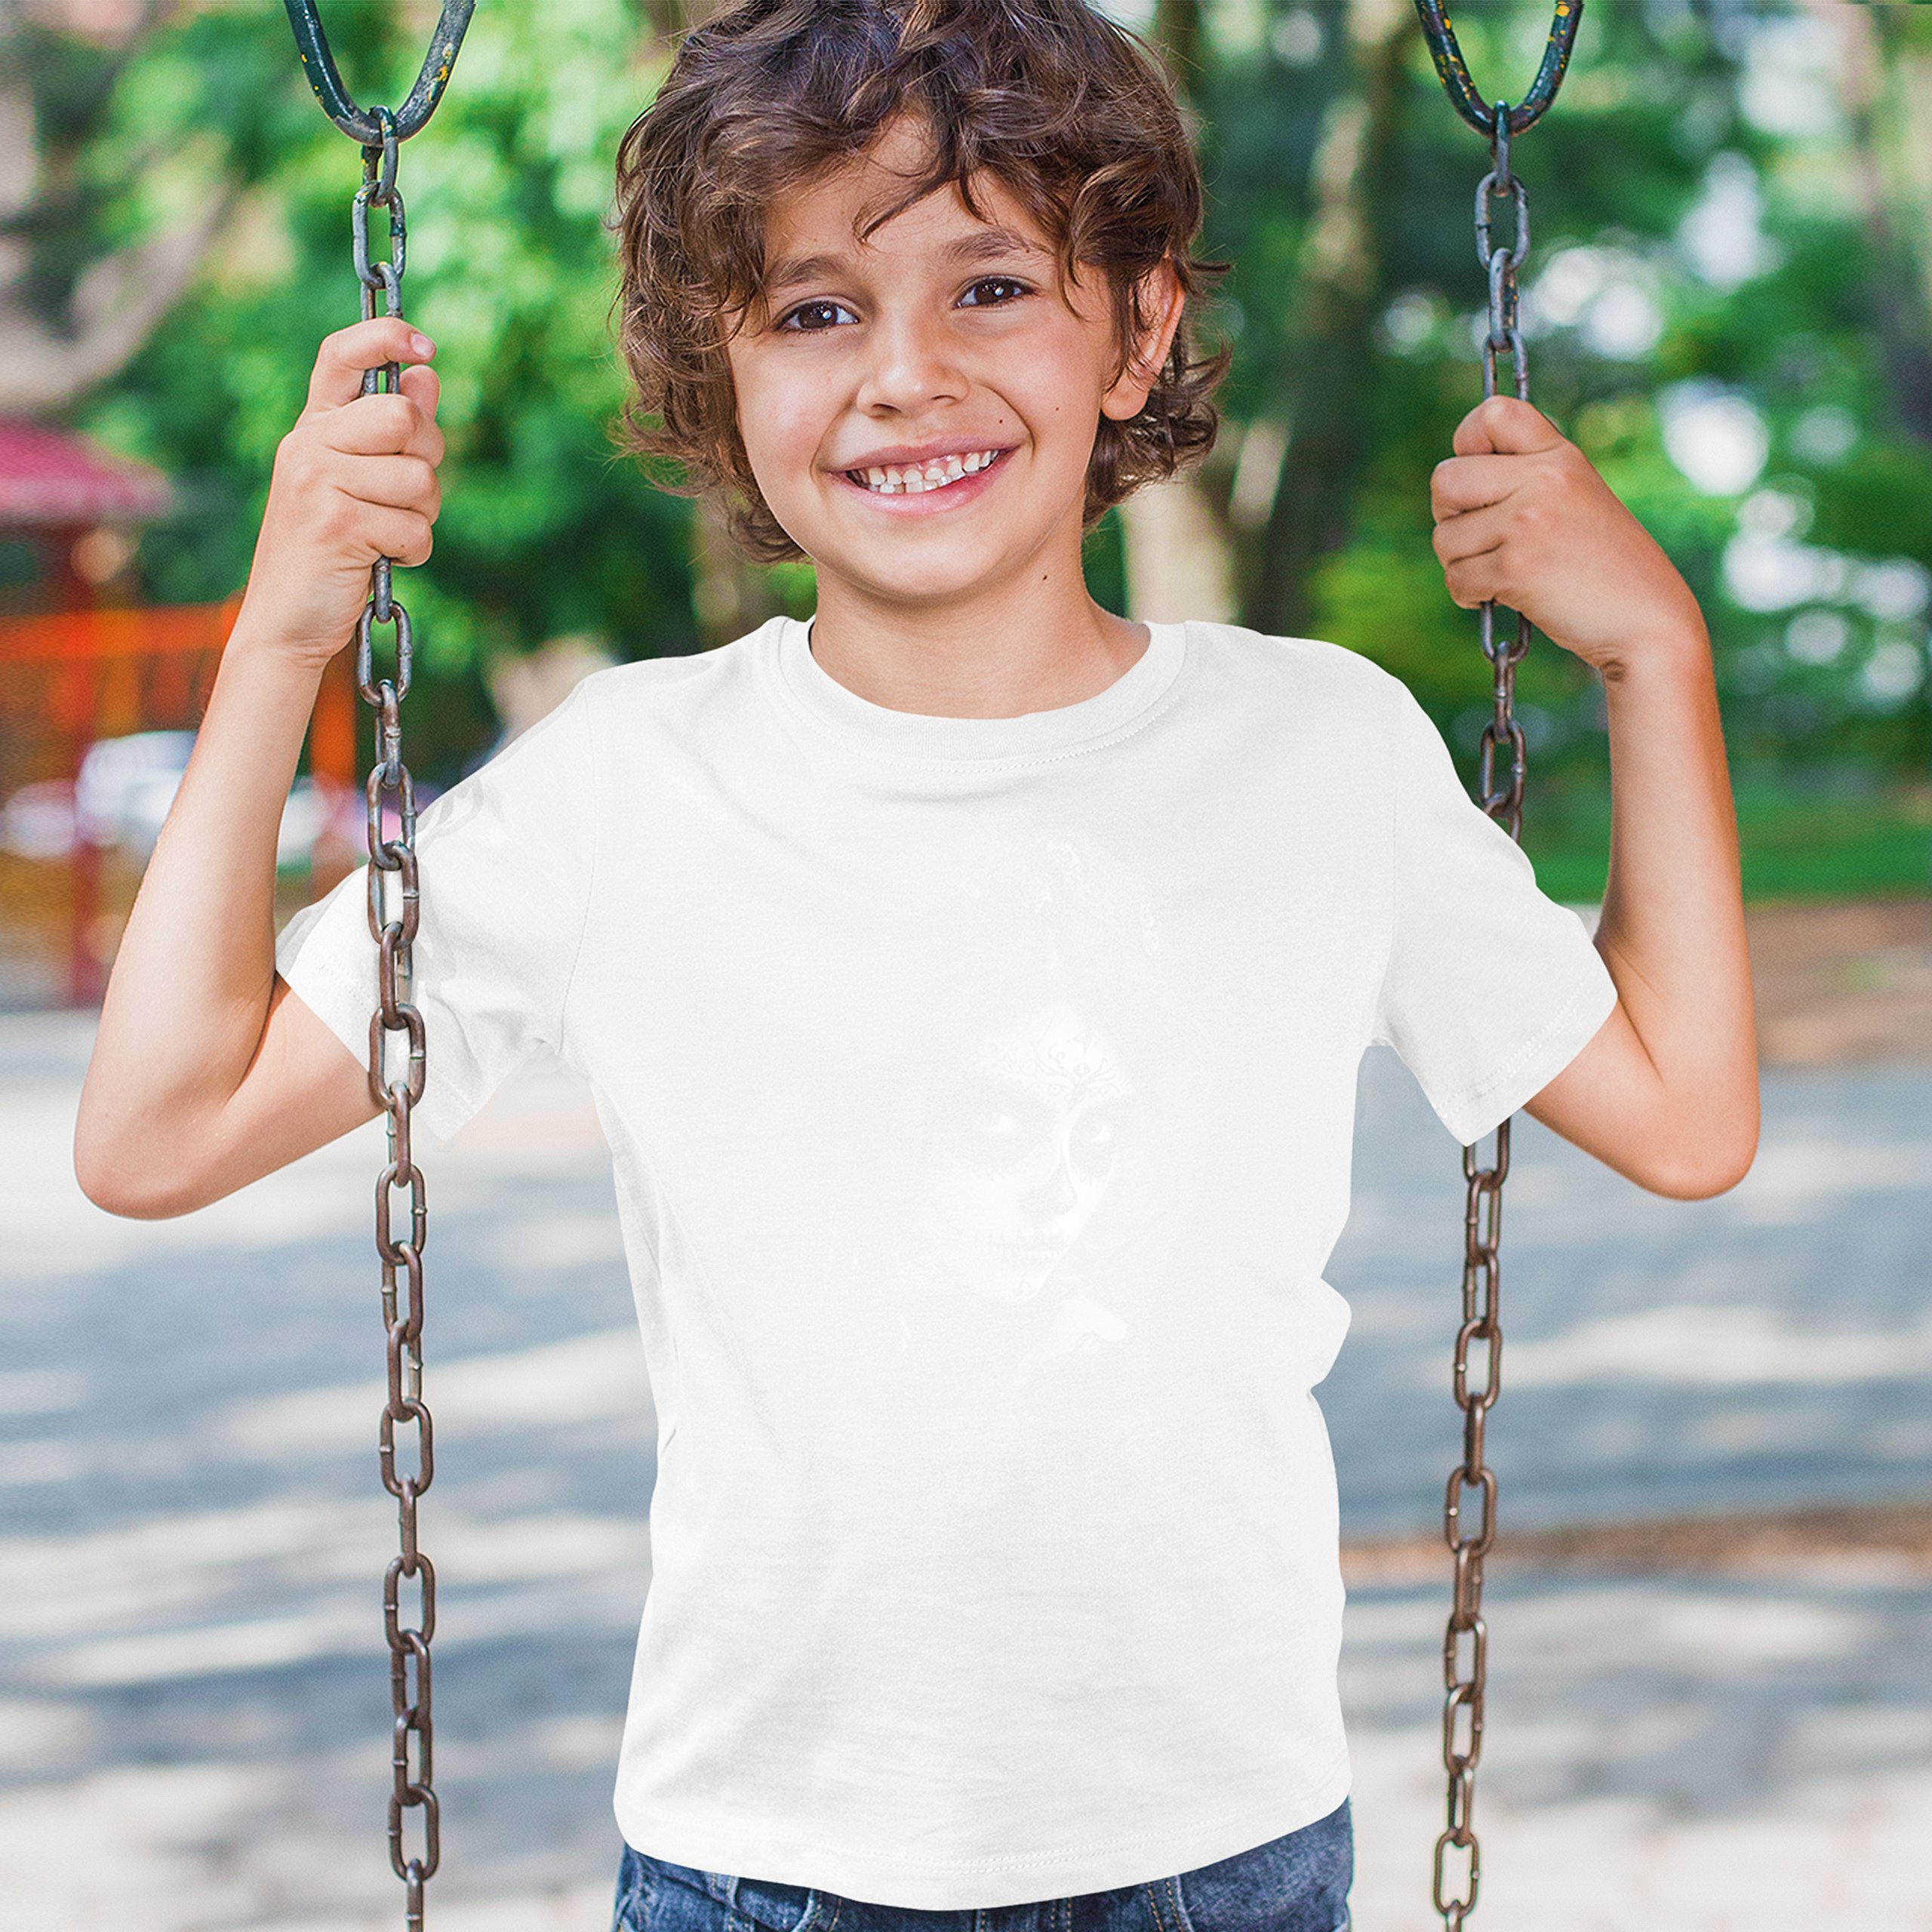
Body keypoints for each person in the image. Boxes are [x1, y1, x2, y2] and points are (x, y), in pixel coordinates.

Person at [72, 2, 1758, 1927]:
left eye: (985, 286)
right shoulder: (631, 782)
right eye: (810, 311)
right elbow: (154, 1129)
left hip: (1215, 1850)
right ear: (720, 371)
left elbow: (1683, 1113)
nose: (901, 375)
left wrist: (1654, 659)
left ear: (1133, 331)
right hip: (766, 1857)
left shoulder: (1318, 746)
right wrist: (279, 634)